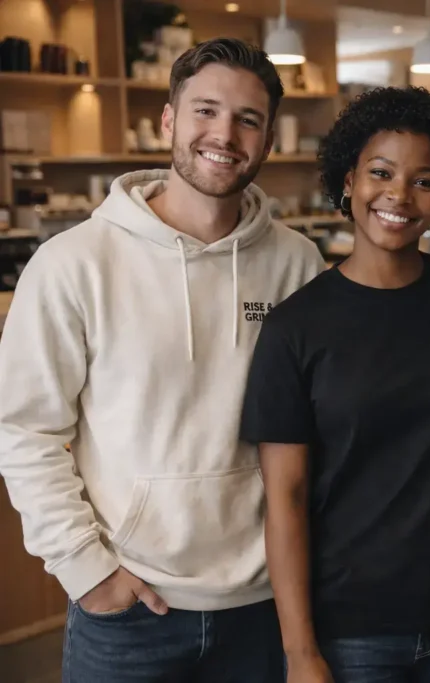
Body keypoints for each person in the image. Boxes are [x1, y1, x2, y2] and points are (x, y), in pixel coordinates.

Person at [0, 37, 325, 682]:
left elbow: (322, 428)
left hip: (265, 606)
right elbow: (25, 431)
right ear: (170, 120)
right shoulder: (73, 264)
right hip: (128, 612)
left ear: (266, 139)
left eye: (247, 119)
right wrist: (87, 572)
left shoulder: (298, 265)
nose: (224, 134)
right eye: (205, 110)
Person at [239, 86, 430, 683]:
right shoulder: (295, 328)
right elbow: (286, 501)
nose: (399, 196)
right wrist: (301, 652)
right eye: (381, 172)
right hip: (352, 628)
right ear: (350, 179)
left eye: (424, 181)